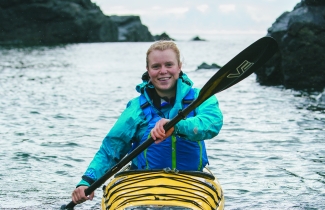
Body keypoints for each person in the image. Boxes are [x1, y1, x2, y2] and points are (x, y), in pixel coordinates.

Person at [71, 40, 223, 204]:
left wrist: (176, 126)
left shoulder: (201, 98)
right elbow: (112, 147)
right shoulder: (136, 108)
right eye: (156, 66)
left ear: (179, 67)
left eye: (169, 65)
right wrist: (87, 181)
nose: (163, 71)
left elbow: (211, 124)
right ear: (148, 70)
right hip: (143, 185)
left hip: (191, 181)